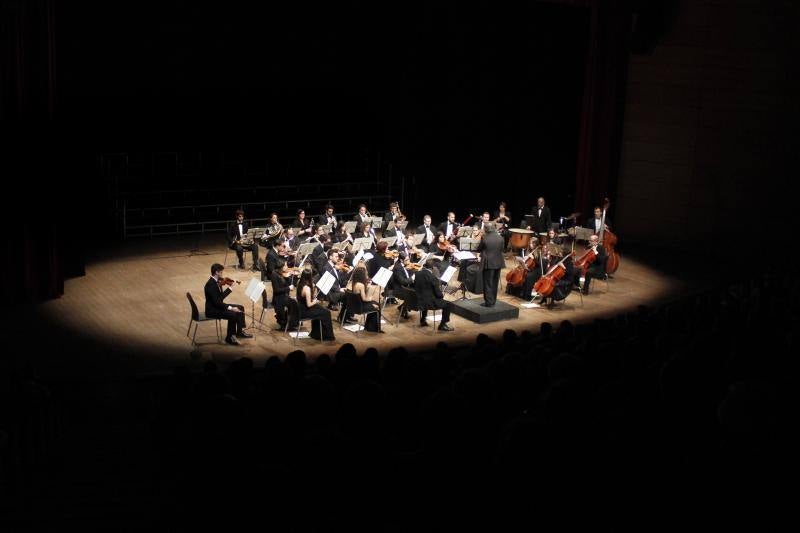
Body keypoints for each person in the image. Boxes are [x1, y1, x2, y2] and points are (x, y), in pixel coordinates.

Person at [204, 263, 251, 345]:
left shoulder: (217, 281)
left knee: (240, 307)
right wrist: (231, 308)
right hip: (212, 310)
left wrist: (230, 288)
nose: (222, 274)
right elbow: (217, 303)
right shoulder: (211, 285)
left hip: (217, 306)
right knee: (233, 314)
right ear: (216, 272)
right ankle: (229, 338)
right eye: (221, 272)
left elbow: (220, 298)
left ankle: (239, 332)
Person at [296, 269, 335, 341]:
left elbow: (307, 299)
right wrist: (316, 301)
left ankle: (316, 334)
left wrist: (314, 291)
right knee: (326, 312)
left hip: (301, 307)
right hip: (305, 311)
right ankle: (327, 336)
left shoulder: (299, 283)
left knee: (322, 309)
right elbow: (309, 304)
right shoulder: (307, 288)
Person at [414, 258, 453, 331]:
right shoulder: (433, 278)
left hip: (419, 300)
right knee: (448, 305)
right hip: (429, 303)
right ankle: (442, 325)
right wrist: (441, 295)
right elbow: (438, 294)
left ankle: (423, 320)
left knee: (426, 295)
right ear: (432, 268)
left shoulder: (417, 274)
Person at [477, 222, 505, 307]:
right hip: (498, 262)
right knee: (495, 282)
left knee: (488, 282)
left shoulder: (485, 238)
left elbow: (479, 249)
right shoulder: (501, 238)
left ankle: (489, 302)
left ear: (486, 229)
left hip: (488, 263)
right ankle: (493, 301)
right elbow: (502, 249)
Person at [350, 266, 382, 332]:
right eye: (366, 274)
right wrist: (370, 298)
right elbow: (364, 299)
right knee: (377, 306)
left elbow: (360, 296)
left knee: (375, 304)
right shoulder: (361, 285)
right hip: (360, 307)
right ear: (362, 275)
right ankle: (372, 328)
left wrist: (367, 287)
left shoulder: (354, 283)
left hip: (355, 305)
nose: (366, 275)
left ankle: (369, 326)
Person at [270, 261, 295, 331]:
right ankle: (284, 321)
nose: (287, 267)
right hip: (278, 299)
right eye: (285, 266)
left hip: (283, 296)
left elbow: (286, 284)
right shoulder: (274, 275)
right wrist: (289, 288)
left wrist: (288, 278)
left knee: (294, 303)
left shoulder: (281, 274)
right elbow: (277, 290)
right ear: (281, 267)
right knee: (294, 303)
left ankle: (290, 321)